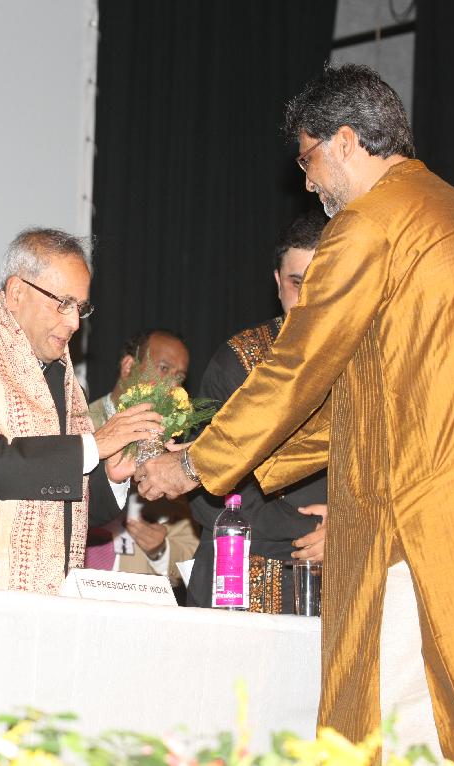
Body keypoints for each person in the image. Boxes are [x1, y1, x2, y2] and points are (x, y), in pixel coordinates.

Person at [137, 64, 454, 762]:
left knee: (406, 731)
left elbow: (297, 367)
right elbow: (377, 398)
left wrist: (196, 464)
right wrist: (245, 463)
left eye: (307, 159)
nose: (308, 182)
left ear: (345, 141)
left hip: (430, 529)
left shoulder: (369, 223)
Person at [0, 228, 162, 594]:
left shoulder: (67, 388)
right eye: (63, 303)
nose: (74, 323)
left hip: (44, 604)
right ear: (17, 292)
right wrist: (92, 446)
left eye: (81, 308)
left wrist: (112, 478)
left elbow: (74, 511)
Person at [187, 210, 329, 613]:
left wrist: (353, 528)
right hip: (244, 582)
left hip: (345, 585)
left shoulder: (371, 367)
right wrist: (321, 531)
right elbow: (205, 487)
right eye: (297, 282)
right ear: (277, 282)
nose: (307, 298)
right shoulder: (238, 360)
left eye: (321, 282)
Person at [87, 329, 199, 586]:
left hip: (138, 600)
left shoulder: (169, 455)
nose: (172, 385)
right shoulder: (76, 428)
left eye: (179, 377)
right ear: (129, 366)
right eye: (163, 368)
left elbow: (190, 551)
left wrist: (160, 550)